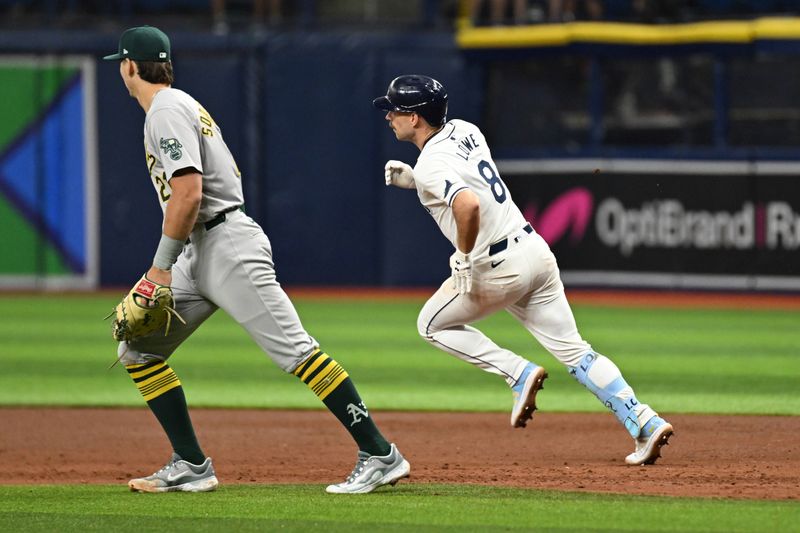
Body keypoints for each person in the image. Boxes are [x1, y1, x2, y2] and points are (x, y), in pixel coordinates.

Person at [102, 25, 409, 495]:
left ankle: (380, 453)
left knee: (298, 352)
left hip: (227, 246)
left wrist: (158, 269)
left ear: (128, 65)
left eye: (120, 66)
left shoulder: (164, 110)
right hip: (199, 248)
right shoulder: (179, 105)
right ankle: (190, 463)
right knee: (138, 349)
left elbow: (188, 192)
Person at [374, 74, 673, 465]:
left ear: (415, 119)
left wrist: (463, 255)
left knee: (430, 325)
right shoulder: (465, 130)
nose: (389, 116)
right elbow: (468, 185)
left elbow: (467, 205)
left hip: (496, 266)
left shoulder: (431, 164)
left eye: (395, 109)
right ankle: (644, 422)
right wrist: (417, 183)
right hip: (534, 251)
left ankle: (517, 372)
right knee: (577, 353)